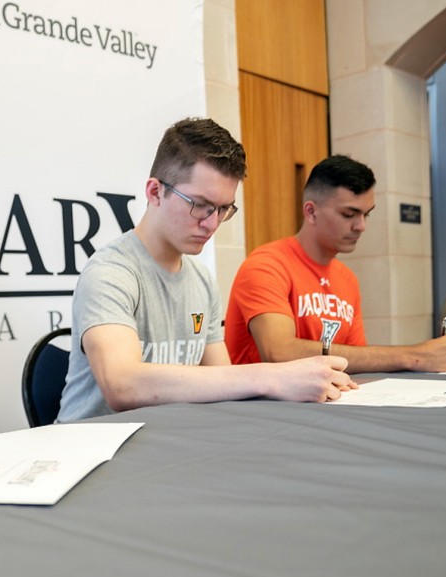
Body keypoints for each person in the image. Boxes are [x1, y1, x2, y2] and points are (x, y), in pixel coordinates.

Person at [56, 118, 355, 423]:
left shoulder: (200, 279)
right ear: (155, 192)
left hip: (164, 440)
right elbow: (123, 385)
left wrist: (293, 379)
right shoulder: (110, 272)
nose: (212, 223)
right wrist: (271, 376)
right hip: (90, 449)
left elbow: (221, 380)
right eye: (200, 205)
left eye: (223, 209)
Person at [224, 155, 446, 372]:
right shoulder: (266, 265)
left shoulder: (346, 279)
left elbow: (355, 360)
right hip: (264, 411)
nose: (361, 226)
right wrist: (412, 356)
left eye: (366, 214)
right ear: (311, 212)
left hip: (323, 405)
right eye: (349, 215)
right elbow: (279, 353)